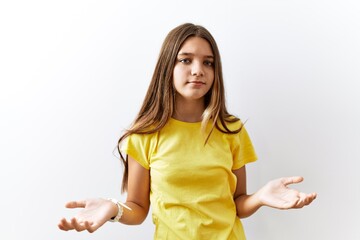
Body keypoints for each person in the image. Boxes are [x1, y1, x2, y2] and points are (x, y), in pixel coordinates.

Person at [58, 23, 317, 239]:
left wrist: (260, 197)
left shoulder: (231, 130)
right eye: (186, 60)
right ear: (167, 67)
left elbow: (238, 204)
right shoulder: (144, 136)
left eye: (208, 63)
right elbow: (137, 209)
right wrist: (113, 207)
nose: (198, 70)